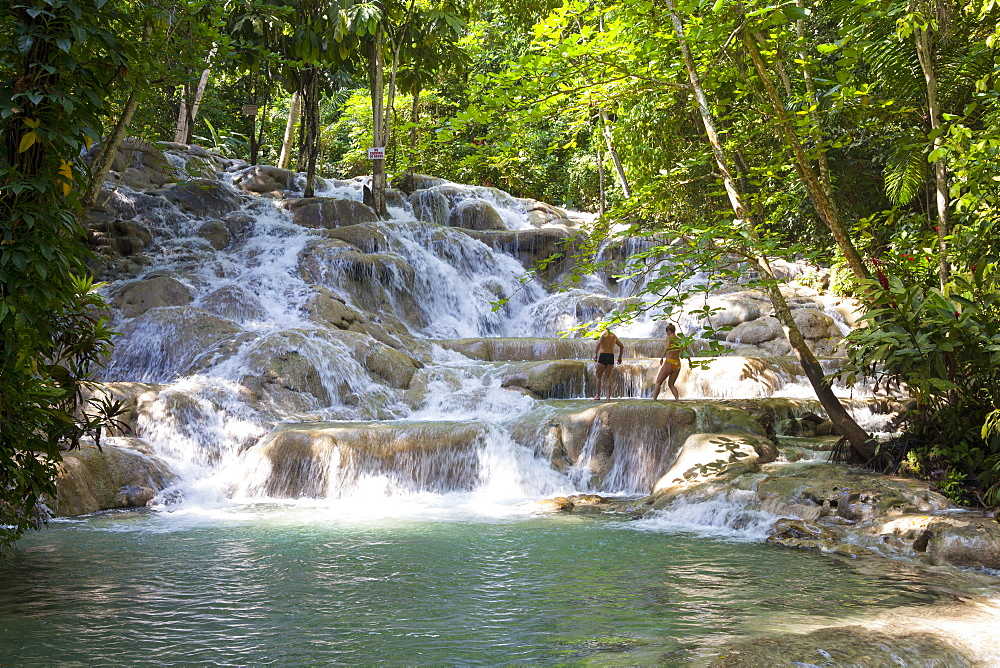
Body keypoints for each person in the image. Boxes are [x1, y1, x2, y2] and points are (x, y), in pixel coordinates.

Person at [592, 326, 624, 400]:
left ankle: (598, 396)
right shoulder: (614, 336)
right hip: (611, 356)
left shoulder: (603, 335)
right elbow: (622, 346)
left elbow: (599, 342)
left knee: (598, 376)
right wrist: (620, 357)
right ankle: (608, 397)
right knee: (608, 377)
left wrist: (595, 354)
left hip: (603, 355)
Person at [653, 323, 682, 400]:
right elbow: (685, 349)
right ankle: (677, 399)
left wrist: (662, 358)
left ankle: (654, 400)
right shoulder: (679, 339)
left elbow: (667, 347)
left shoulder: (669, 337)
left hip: (670, 362)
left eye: (667, 332)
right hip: (677, 363)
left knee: (658, 382)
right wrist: (689, 362)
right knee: (671, 384)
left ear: (669, 331)